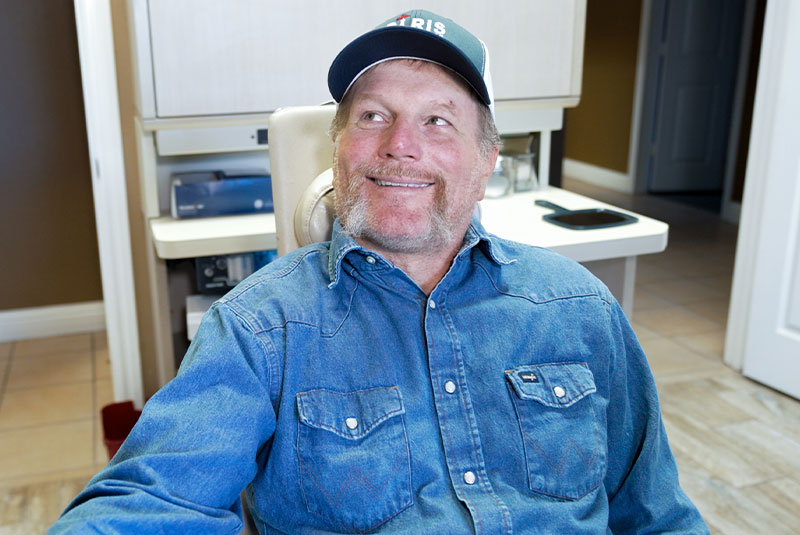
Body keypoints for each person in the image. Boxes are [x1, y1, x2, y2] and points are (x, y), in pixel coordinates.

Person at [50, 9, 708, 535]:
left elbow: (656, 514)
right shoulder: (260, 328)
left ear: (487, 161)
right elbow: (156, 494)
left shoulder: (580, 307)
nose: (399, 143)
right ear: (337, 149)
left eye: (438, 120)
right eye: (373, 116)